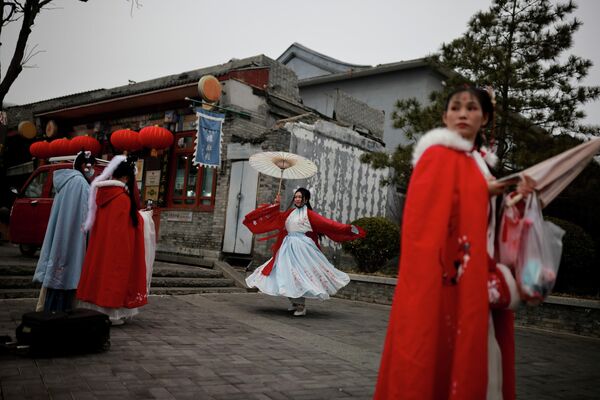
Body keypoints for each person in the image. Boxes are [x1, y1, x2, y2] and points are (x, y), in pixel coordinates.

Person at [374, 86, 522, 400]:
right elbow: (425, 217)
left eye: (471, 108)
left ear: (485, 118)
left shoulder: (479, 162)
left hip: (476, 272)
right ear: (444, 117)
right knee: (437, 357)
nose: (463, 114)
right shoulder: (438, 155)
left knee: (479, 359)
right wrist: (485, 191)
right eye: (455, 107)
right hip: (449, 277)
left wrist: (512, 195)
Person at [244, 188, 366, 316]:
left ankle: (301, 306)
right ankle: (294, 302)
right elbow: (277, 219)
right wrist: (276, 205)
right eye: (295, 197)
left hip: (301, 248)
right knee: (285, 274)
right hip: (286, 247)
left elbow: (328, 224)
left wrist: (347, 229)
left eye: (300, 197)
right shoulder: (290, 213)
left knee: (299, 276)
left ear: (306, 199)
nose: (297, 199)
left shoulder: (309, 214)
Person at [76, 155, 155, 325]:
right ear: (125, 178)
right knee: (114, 279)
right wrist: (144, 218)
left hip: (100, 247)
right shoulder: (122, 199)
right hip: (118, 249)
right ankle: (112, 314)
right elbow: (126, 229)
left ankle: (98, 311)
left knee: (101, 275)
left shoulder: (102, 196)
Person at [33, 151, 96, 312]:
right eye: (91, 166)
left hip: (62, 236)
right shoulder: (80, 184)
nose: (92, 170)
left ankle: (49, 309)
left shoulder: (66, 182)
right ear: (84, 165)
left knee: (57, 272)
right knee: (67, 274)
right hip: (72, 237)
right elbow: (83, 216)